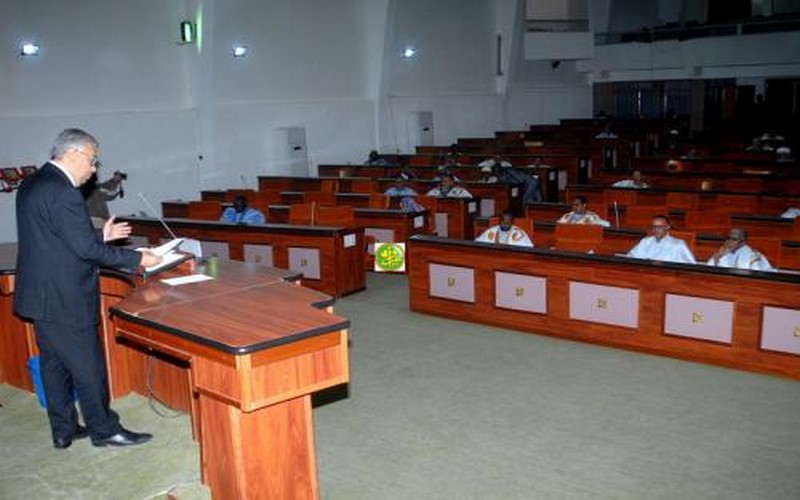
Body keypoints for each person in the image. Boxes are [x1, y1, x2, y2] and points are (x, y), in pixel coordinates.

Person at [14, 128, 161, 449]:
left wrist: (101, 238)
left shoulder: (33, 183)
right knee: (88, 368)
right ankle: (104, 429)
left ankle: (63, 429)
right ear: (74, 154)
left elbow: (57, 241)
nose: (94, 169)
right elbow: (84, 251)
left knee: (54, 364)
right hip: (65, 297)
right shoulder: (64, 192)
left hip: (41, 295)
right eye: (93, 161)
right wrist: (138, 258)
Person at [627, 215, 696, 264]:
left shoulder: (678, 244)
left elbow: (690, 264)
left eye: (660, 227)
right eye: (654, 227)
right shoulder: (645, 242)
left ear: (667, 227)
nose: (656, 230)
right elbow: (630, 258)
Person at [707, 228, 774, 272]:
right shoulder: (722, 251)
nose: (729, 241)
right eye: (728, 238)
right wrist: (718, 257)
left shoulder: (753, 256)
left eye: (734, 239)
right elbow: (709, 269)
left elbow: (757, 275)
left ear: (743, 242)